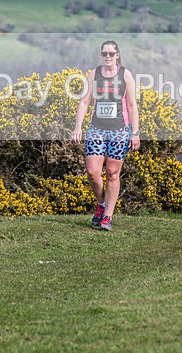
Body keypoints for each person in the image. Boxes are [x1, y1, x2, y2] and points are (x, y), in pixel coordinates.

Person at [71, 40, 140, 231]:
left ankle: (107, 216)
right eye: (105, 53)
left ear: (117, 54)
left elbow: (133, 105)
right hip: (97, 129)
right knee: (93, 172)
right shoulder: (94, 74)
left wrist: (135, 133)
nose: (108, 56)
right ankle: (101, 204)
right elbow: (85, 101)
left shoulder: (125, 75)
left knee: (112, 173)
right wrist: (78, 127)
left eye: (111, 53)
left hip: (120, 130)